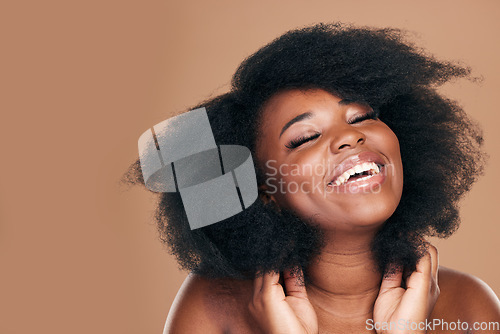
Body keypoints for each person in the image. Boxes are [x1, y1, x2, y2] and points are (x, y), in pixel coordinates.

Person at [122, 23, 500, 333]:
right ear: (264, 189)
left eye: (361, 117)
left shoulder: (468, 308)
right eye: (305, 138)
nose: (350, 137)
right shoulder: (214, 304)